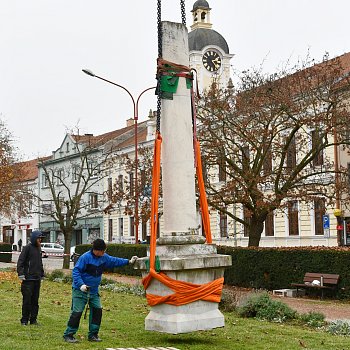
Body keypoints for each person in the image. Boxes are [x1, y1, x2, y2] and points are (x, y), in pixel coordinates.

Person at [63, 238, 138, 343]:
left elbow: (114, 260)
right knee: (77, 312)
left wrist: (128, 262)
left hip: (93, 291)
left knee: (97, 311)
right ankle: (68, 334)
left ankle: (93, 335)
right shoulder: (85, 258)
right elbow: (76, 271)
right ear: (96, 250)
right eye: (103, 251)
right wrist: (81, 285)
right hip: (80, 290)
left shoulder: (104, 257)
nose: (104, 253)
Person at [17, 230, 45, 326]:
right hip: (28, 280)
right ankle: (24, 320)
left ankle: (33, 320)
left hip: (36, 279)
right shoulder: (27, 248)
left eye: (41, 238)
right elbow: (20, 261)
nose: (40, 240)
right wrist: (21, 274)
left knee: (35, 301)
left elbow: (39, 262)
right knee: (27, 301)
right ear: (34, 238)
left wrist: (42, 273)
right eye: (38, 238)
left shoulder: (39, 248)